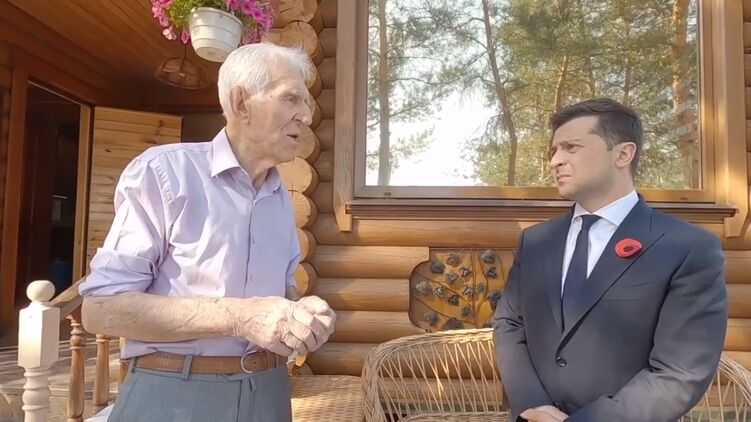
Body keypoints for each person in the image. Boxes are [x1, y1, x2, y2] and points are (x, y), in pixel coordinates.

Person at [78, 43, 336, 421]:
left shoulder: (279, 194)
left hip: (270, 393)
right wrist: (240, 316)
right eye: (291, 99)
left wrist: (302, 311)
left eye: (307, 103)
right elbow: (101, 309)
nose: (307, 115)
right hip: (176, 395)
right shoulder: (166, 172)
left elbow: (278, 297)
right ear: (242, 102)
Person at [492, 98, 728, 422]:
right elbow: (509, 323)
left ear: (623, 154)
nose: (555, 161)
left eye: (571, 147)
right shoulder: (536, 241)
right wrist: (532, 405)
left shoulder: (687, 248)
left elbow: (678, 372)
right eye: (554, 151)